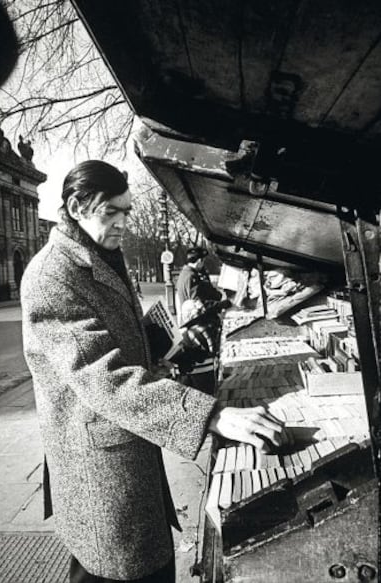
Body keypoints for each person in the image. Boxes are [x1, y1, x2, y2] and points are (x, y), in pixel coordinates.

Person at [20, 160, 284, 583]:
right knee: (117, 566)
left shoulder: (100, 253)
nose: (124, 222)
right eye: (113, 212)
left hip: (125, 450)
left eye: (127, 210)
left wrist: (156, 351)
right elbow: (100, 377)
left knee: (132, 562)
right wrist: (212, 414)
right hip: (98, 467)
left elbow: (111, 338)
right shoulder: (51, 276)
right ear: (75, 206)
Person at [176, 247, 228, 394]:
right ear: (199, 260)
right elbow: (199, 305)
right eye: (202, 261)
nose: (203, 264)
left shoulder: (185, 274)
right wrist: (222, 304)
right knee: (203, 374)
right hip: (197, 326)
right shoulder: (192, 277)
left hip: (192, 326)